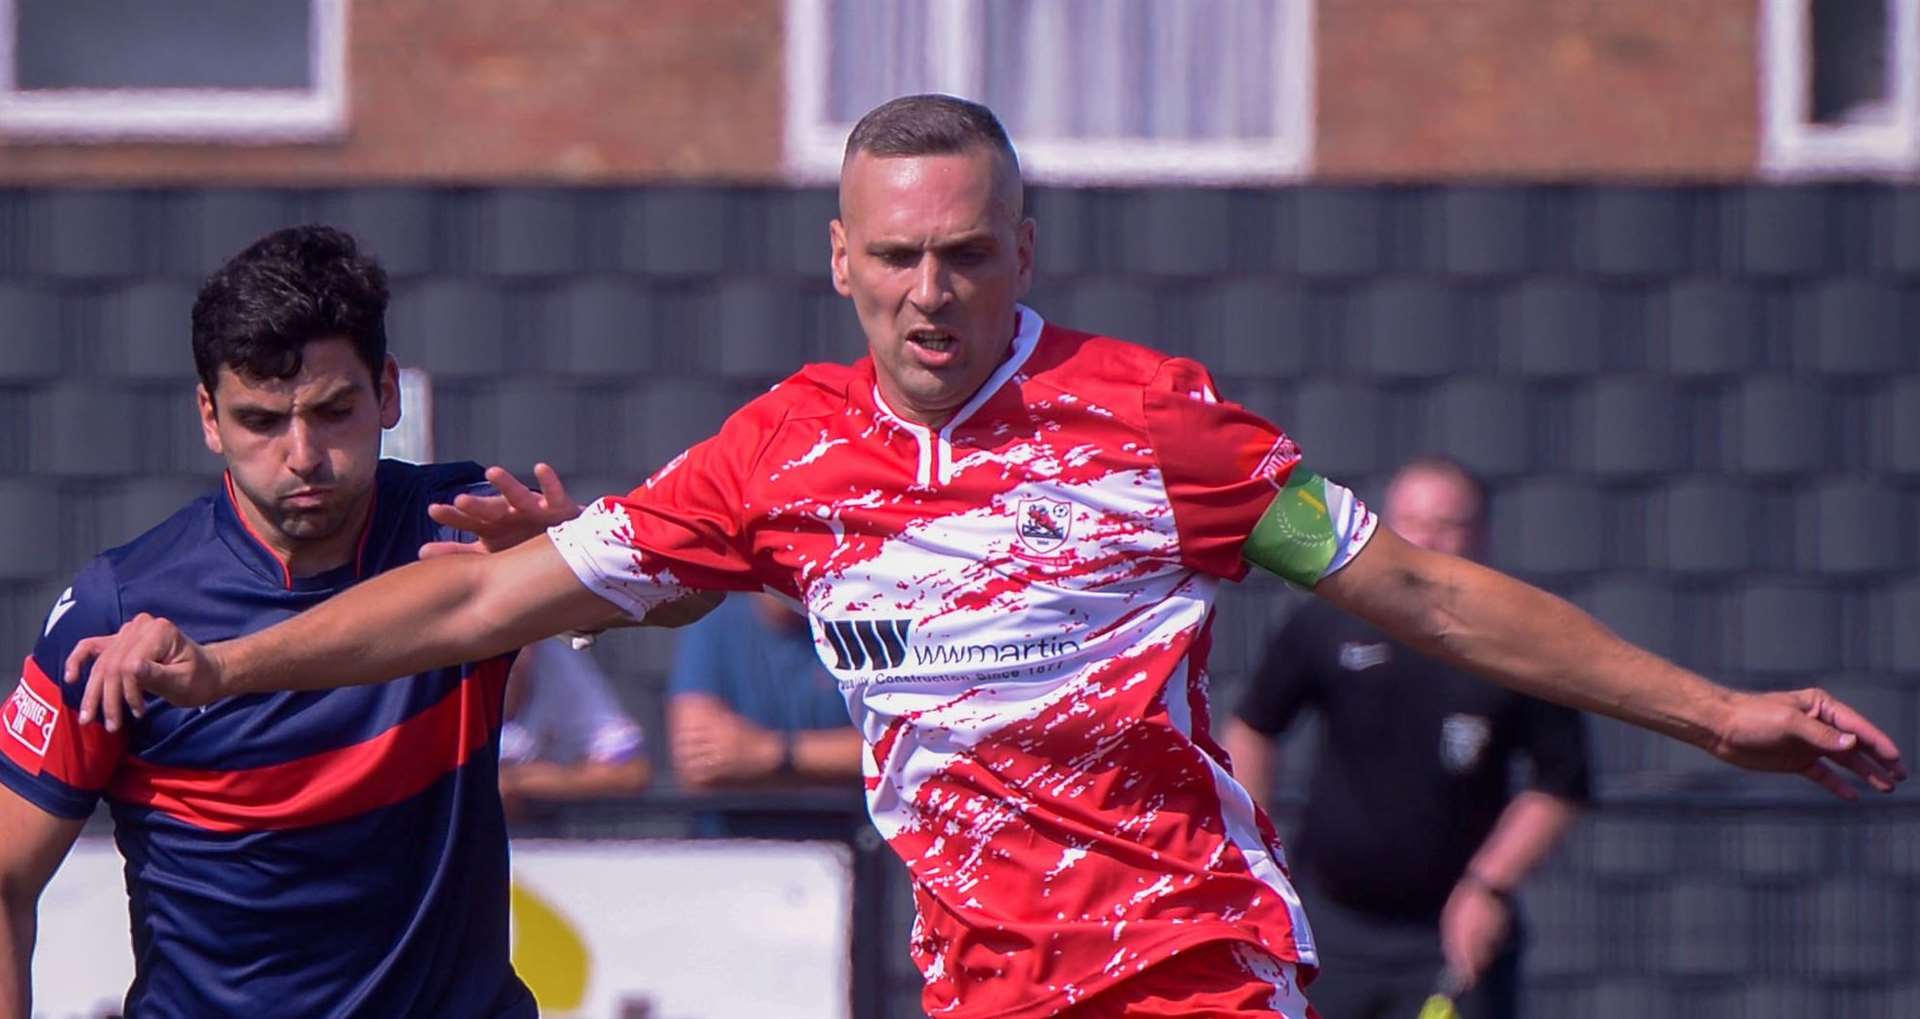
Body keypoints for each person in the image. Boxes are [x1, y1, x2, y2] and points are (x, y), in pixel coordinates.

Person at [67, 96, 1903, 1019]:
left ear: (1026, 250)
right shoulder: (776, 455)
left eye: (968, 251)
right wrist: (222, 668)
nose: (932, 288)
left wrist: (1710, 703)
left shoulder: (1158, 427)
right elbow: (480, 598)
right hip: (976, 975)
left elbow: (1420, 588)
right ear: (842, 264)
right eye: (899, 255)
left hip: (1188, 957)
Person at [0, 226, 541, 1018]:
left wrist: (589, 563)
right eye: (260, 421)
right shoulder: (116, 609)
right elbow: (6, 871)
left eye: (333, 410)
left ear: (387, 391)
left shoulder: (466, 531)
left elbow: (683, 595)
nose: (303, 454)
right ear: (210, 417)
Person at [1222, 457, 1589, 1019]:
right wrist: (1258, 858)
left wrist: (1487, 888)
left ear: (1481, 535)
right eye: (1411, 521)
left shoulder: (1520, 643)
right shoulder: (1328, 621)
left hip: (1449, 933)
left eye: (1448, 524)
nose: (1427, 538)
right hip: (1330, 923)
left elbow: (1560, 784)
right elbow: (1252, 727)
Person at [668, 592, 863, 790]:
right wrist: (828, 756)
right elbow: (697, 758)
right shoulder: (715, 619)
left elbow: (886, 751)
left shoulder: (861, 619)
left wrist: (770, 752)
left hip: (849, 817)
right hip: (738, 817)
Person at [499, 637, 651, 818]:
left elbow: (632, 772)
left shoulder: (554, 657)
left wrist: (519, 782)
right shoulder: (458, 666)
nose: (507, 653)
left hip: (539, 836)